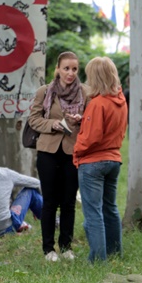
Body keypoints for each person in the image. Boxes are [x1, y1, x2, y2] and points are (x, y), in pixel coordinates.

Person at [29, 51, 88, 262]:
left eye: (74, 69)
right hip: (48, 151)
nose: (70, 73)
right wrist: (53, 124)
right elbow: (33, 119)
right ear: (57, 69)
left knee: (69, 201)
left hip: (73, 152)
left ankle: (66, 246)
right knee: (50, 201)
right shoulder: (45, 91)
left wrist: (81, 119)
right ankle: (48, 249)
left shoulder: (85, 93)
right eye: (66, 68)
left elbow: (92, 120)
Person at [73, 57, 128, 262]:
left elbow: (91, 138)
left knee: (93, 212)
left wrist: (77, 151)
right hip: (113, 159)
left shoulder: (97, 103)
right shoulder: (120, 101)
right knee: (110, 208)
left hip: (93, 163)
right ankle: (114, 251)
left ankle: (97, 259)